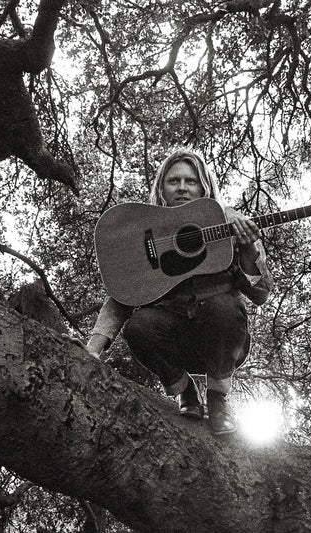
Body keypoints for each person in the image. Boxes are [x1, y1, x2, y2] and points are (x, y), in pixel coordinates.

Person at [87, 148, 272, 435]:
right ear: (161, 187)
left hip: (221, 343)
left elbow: (260, 294)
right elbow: (121, 295)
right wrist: (93, 348)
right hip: (172, 343)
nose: (183, 188)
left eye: (191, 181)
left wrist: (248, 247)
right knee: (139, 326)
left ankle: (218, 400)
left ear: (204, 187)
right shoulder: (146, 231)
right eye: (174, 181)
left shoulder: (231, 226)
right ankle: (185, 391)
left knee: (222, 307)